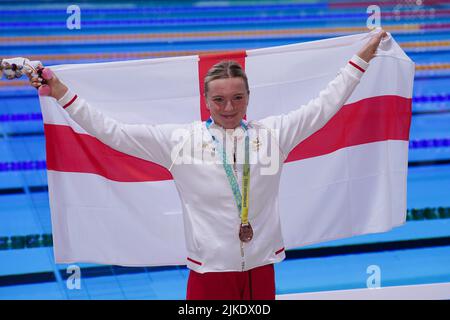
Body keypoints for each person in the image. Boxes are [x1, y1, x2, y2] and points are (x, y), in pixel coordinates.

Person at [28, 30, 387, 300]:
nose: (228, 108)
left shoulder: (274, 134)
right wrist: (61, 91)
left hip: (261, 268)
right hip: (209, 273)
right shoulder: (179, 142)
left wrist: (362, 58)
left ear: (249, 98)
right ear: (205, 100)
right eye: (219, 99)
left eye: (237, 98)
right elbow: (113, 132)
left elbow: (324, 106)